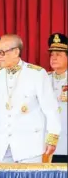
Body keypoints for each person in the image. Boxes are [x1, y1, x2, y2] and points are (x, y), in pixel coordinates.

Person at [0, 34, 61, 163]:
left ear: (16, 52)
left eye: (2, 52)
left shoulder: (37, 74)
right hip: (1, 146)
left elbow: (50, 109)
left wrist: (52, 137)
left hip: (29, 146)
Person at [47, 33, 68, 163]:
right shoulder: (43, 79)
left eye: (58, 55)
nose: (54, 58)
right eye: (52, 55)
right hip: (48, 142)